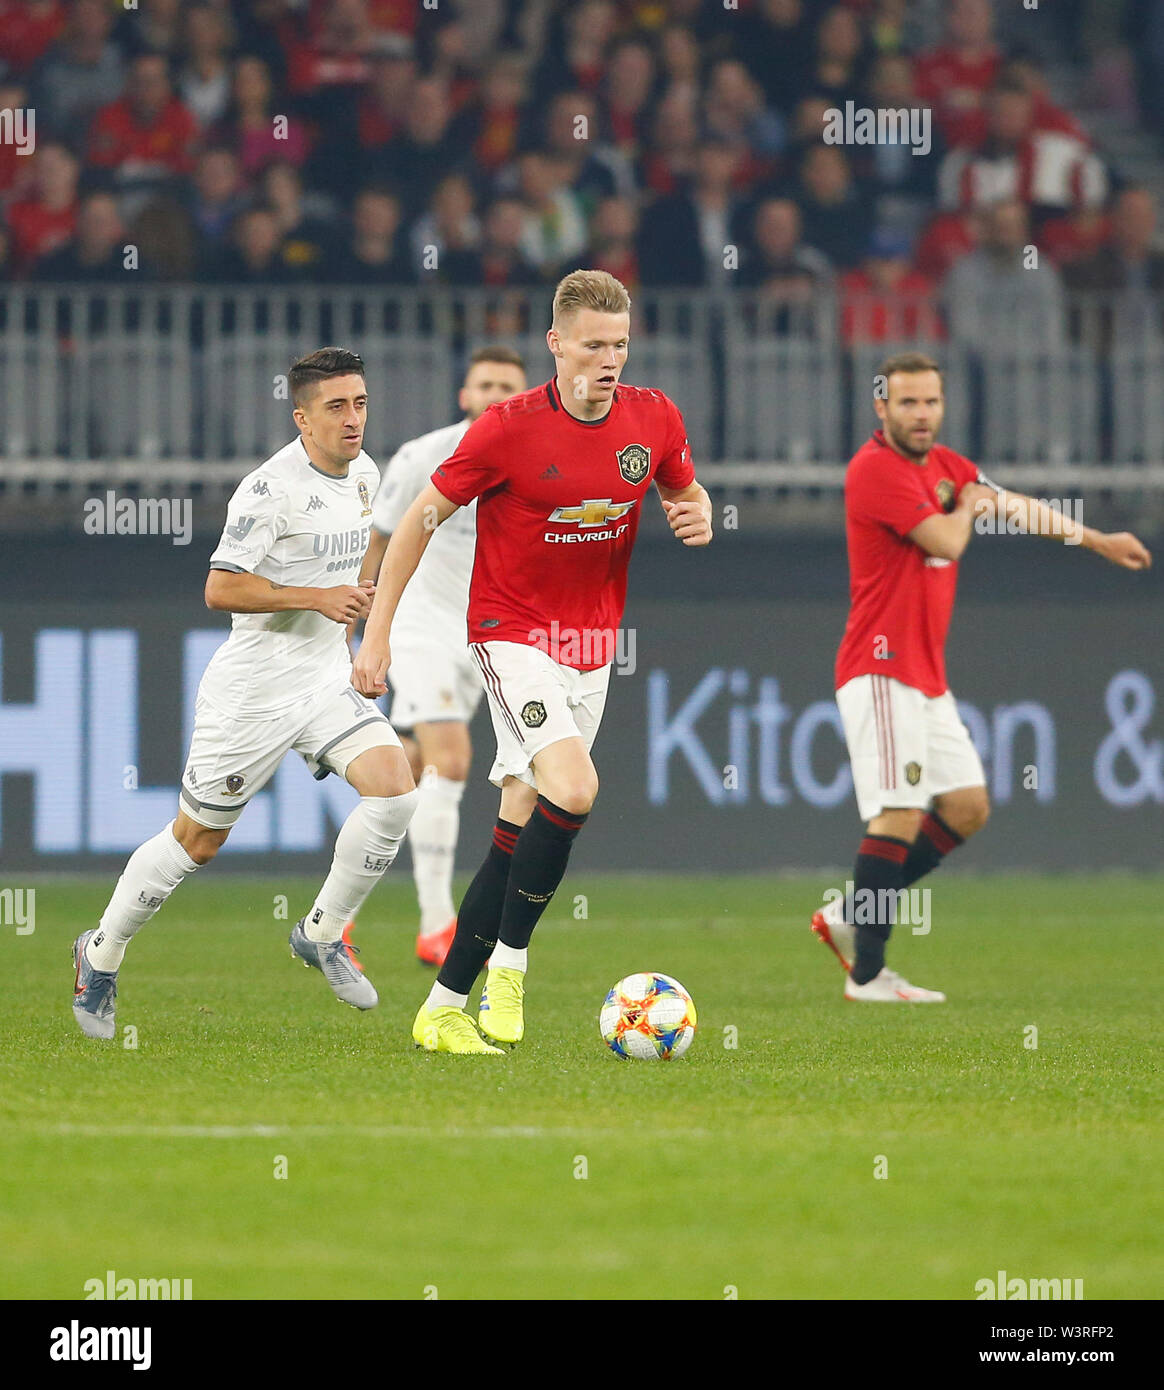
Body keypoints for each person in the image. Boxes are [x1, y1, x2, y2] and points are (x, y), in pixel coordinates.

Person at [352, 270, 712, 1053]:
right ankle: (511, 966)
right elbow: (417, 522)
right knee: (575, 787)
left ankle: (445, 1005)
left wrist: (697, 512)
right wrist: (377, 634)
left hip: (591, 645)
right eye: (592, 346)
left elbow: (685, 485)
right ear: (555, 344)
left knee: (520, 821)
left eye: (619, 345)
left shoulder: (654, 418)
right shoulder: (507, 429)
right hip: (511, 633)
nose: (608, 360)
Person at [71, 348, 419, 1040]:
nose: (354, 420)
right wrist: (316, 598)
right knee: (198, 841)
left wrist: (355, 637)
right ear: (302, 417)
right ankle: (100, 953)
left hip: (322, 677)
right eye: (336, 408)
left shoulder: (367, 475)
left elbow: (357, 563)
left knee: (396, 789)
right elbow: (220, 587)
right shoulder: (269, 490)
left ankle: (321, 933)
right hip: (255, 690)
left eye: (361, 403)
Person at [811, 351, 1152, 1001]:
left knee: (967, 808)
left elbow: (1012, 506)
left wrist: (1097, 539)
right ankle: (869, 973)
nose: (922, 414)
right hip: (880, 667)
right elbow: (947, 539)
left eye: (931, 402)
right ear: (881, 408)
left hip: (925, 676)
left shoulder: (948, 467)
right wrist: (968, 506)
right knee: (899, 812)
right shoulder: (873, 469)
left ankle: (852, 913)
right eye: (908, 402)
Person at [353, 346, 528, 966]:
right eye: (485, 383)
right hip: (418, 624)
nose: (495, 394)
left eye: (508, 385)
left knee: (400, 775)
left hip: (485, 634)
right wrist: (365, 627)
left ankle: (335, 912)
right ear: (465, 395)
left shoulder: (536, 460)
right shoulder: (426, 456)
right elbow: (379, 542)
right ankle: (436, 925)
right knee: (452, 761)